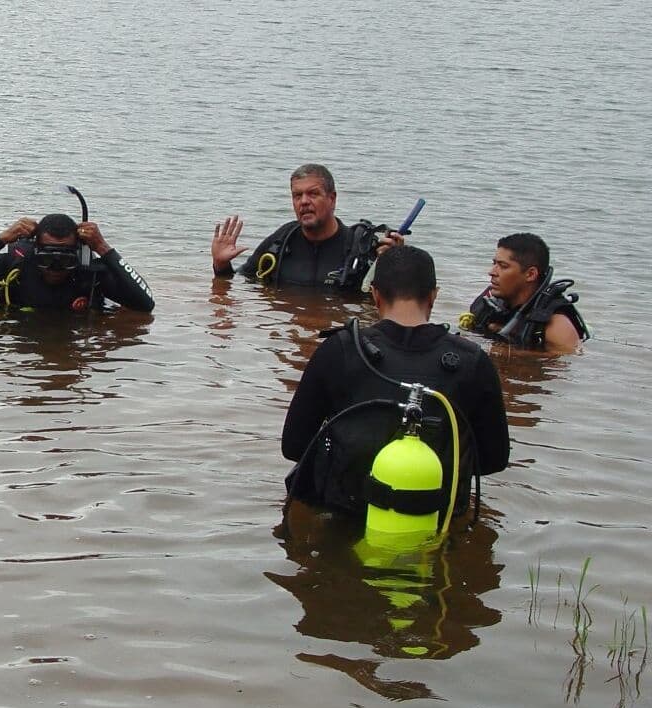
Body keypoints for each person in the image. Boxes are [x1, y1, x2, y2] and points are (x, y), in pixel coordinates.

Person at [281, 245, 510, 526]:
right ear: (434, 295)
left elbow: (294, 447)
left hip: (346, 519)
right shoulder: (473, 361)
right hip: (435, 521)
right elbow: (493, 461)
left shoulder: (338, 350)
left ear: (375, 294)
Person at [211, 164, 401, 290]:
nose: (304, 202)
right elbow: (237, 281)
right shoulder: (282, 240)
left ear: (332, 198)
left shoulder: (360, 247)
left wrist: (395, 262)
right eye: (297, 195)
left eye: (313, 194)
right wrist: (221, 265)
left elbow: (393, 300)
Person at [0, 214, 154, 313]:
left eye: (65, 260)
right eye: (47, 259)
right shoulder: (15, 266)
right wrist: (1, 239)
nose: (55, 268)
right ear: (34, 251)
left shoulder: (90, 274)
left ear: (77, 255)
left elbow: (146, 305)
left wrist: (102, 247)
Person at [461, 233, 589, 352]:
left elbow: (565, 364)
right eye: (494, 263)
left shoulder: (557, 325)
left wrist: (507, 352)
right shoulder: (490, 303)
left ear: (530, 274)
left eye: (503, 266)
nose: (492, 271)